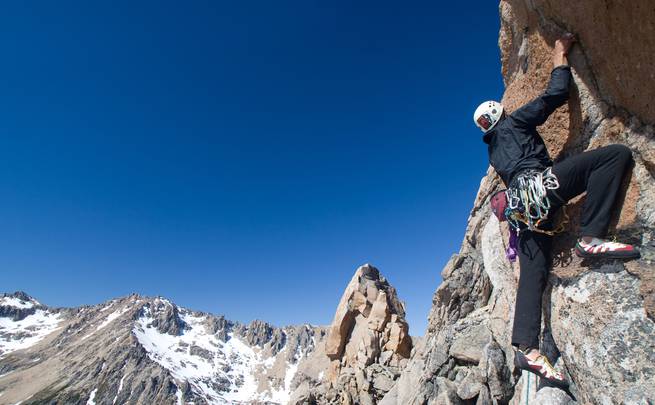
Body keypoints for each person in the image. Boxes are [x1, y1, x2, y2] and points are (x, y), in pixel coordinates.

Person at [473, 33, 640, 387]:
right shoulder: (514, 123)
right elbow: (555, 96)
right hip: (542, 189)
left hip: (525, 212)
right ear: (499, 114)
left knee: (533, 275)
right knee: (614, 157)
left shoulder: (493, 152)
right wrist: (560, 54)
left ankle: (527, 348)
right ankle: (591, 236)